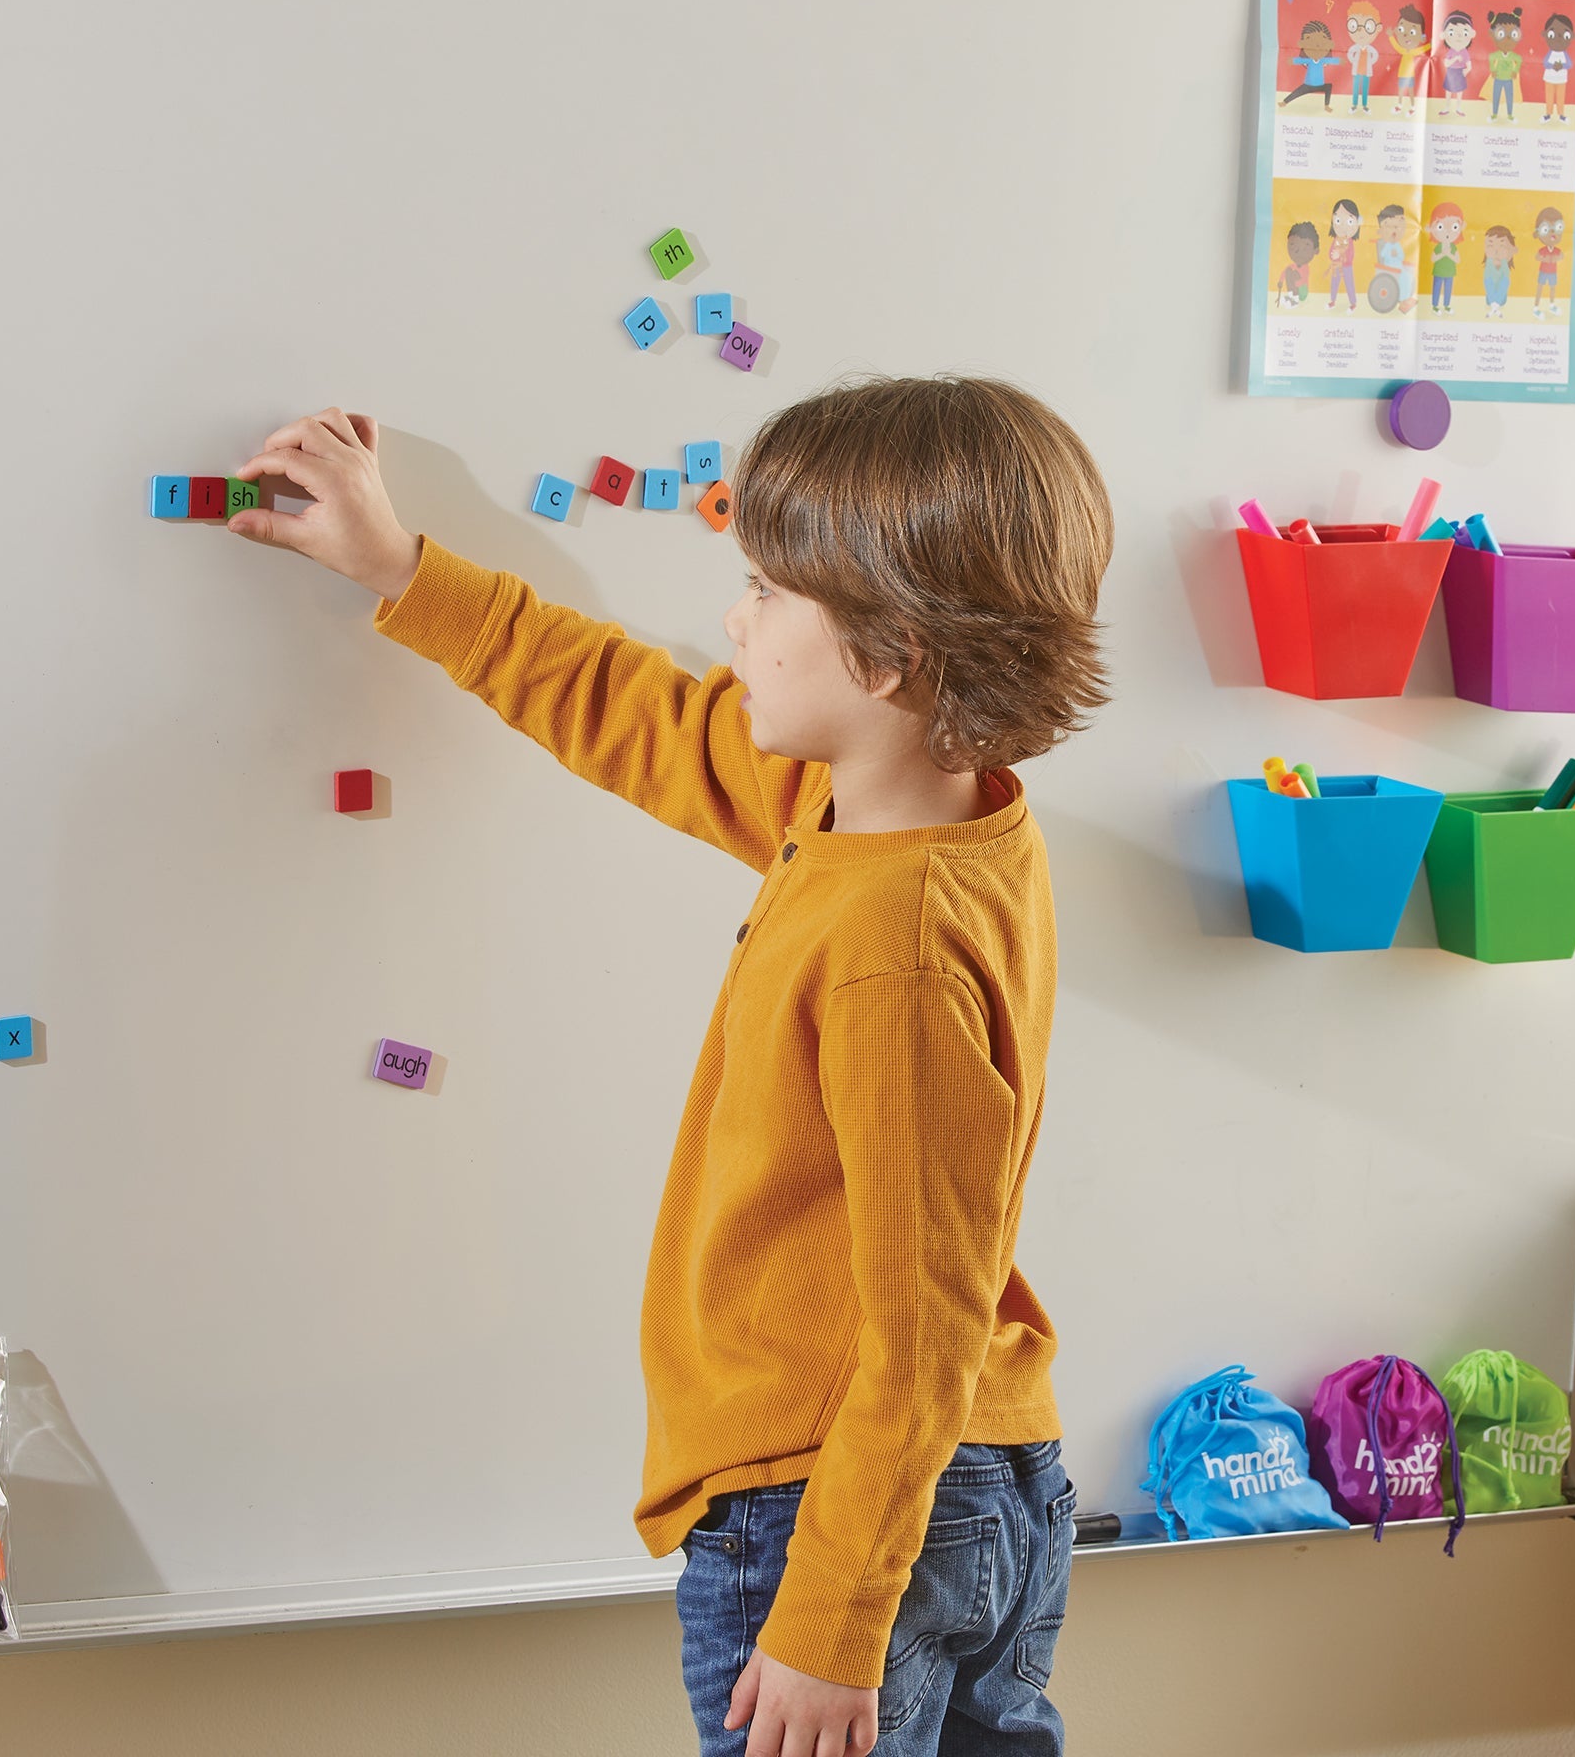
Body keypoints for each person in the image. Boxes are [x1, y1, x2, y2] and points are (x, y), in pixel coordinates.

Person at [227, 378, 1112, 1756]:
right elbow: (632, 711)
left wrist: (830, 1620)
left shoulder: (896, 937)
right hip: (950, 1481)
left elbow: (925, 1324)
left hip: (842, 1504)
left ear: (884, 656)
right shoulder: (895, 815)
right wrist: (403, 570)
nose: (732, 623)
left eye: (764, 594)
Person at [1283, 20, 1340, 111]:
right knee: (1297, 92)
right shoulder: (1309, 60)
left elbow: (1334, 60)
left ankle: (1326, 106)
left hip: (1320, 85)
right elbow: (1298, 60)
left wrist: (1342, 60)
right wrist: (1290, 60)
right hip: (1308, 85)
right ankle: (1285, 102)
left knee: (1328, 87)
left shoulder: (1322, 60)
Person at [1346, 0, 1382, 112]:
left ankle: (1365, 105)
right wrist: (1354, 61)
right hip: (1357, 71)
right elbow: (1349, 54)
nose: (1361, 31)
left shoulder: (1370, 49)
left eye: (1368, 27)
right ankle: (1354, 105)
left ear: (1377, 29)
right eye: (1354, 26)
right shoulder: (1355, 48)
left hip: (1366, 72)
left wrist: (1370, 62)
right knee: (1356, 89)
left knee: (1365, 89)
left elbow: (1375, 55)